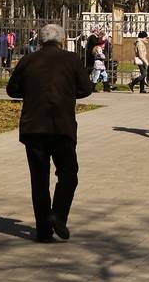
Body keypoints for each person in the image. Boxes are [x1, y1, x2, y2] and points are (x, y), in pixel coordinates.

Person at [6, 22, 92, 241]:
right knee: (69, 174)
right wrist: (67, 92)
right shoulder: (71, 59)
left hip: (33, 128)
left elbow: (12, 90)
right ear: (62, 41)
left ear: (41, 41)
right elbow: (85, 89)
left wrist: (32, 90)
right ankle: (58, 215)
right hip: (61, 127)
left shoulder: (28, 60)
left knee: (39, 179)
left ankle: (43, 232)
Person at [129, 29, 149, 93]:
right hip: (141, 60)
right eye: (146, 37)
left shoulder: (140, 43)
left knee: (143, 74)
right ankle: (132, 84)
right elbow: (141, 55)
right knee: (144, 74)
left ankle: (142, 89)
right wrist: (146, 62)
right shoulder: (139, 44)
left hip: (142, 60)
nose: (146, 39)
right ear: (142, 37)